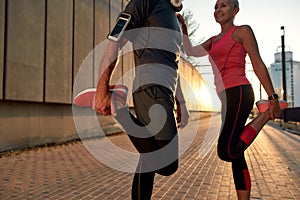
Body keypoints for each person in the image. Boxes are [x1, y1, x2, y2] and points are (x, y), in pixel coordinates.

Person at [177, 0, 286, 199]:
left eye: (224, 5)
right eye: (216, 7)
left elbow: (257, 62)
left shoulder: (241, 31)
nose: (218, 9)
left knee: (226, 151)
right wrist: (184, 29)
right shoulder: (213, 40)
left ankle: (264, 117)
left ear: (235, 10)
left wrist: (273, 98)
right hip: (225, 98)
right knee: (237, 152)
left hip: (239, 92)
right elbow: (190, 51)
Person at [94, 0, 189, 199]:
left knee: (148, 160)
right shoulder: (145, 2)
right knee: (167, 164)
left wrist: (181, 102)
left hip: (165, 94)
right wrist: (101, 89)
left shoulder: (174, 17)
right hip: (150, 90)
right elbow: (115, 42)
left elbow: (174, 64)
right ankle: (118, 108)